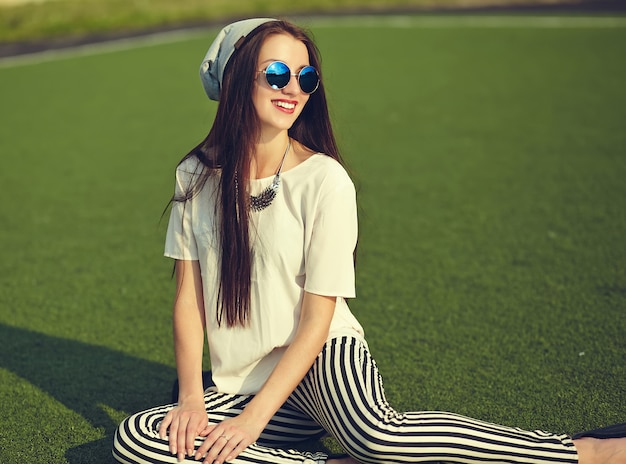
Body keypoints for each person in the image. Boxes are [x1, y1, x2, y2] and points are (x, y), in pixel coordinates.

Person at [112, 18, 626, 464]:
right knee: (139, 440)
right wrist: (191, 399)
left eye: (304, 76)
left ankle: (584, 452)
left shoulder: (325, 180)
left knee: (375, 433)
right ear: (234, 80)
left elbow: (317, 320)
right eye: (275, 73)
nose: (292, 87)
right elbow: (189, 298)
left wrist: (249, 426)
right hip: (243, 382)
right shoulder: (196, 176)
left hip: (323, 359)